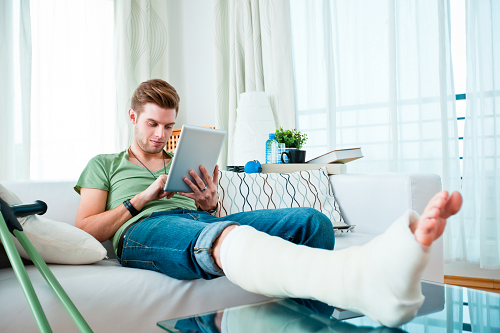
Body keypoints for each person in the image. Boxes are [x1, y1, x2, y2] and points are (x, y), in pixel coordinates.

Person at [75, 79, 462, 327]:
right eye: (151, 124)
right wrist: (140, 201)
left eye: (168, 126)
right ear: (132, 117)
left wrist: (208, 202)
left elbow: (208, 214)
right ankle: (357, 278)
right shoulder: (105, 165)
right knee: (219, 236)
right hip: (143, 232)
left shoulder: (180, 161)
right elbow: (85, 230)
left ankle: (303, 323)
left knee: (312, 222)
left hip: (197, 222)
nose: (161, 135)